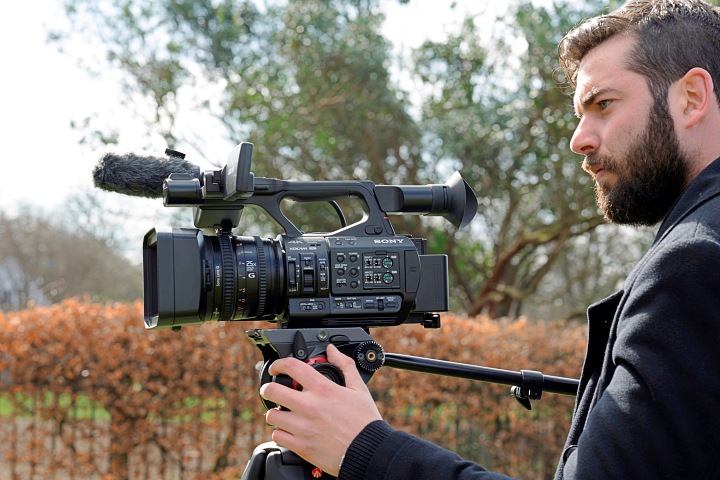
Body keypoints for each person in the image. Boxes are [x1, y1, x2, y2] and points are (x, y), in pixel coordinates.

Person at [259, 0, 720, 477]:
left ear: (691, 97)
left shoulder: (692, 263)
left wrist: (365, 449)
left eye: (603, 104)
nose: (578, 139)